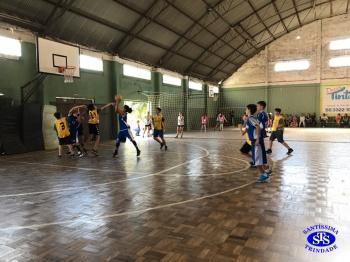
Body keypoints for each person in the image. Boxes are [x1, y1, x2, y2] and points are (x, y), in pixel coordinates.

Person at [244, 104, 270, 182]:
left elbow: (258, 127)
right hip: (253, 141)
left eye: (246, 109)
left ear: (249, 110)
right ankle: (265, 172)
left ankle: (264, 174)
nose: (245, 110)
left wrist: (258, 138)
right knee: (257, 159)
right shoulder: (250, 119)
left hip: (255, 141)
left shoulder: (251, 119)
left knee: (257, 160)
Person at [256, 101, 271, 173]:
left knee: (261, 149)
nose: (257, 107)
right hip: (260, 133)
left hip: (260, 133)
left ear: (261, 107)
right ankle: (265, 166)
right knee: (260, 149)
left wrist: (258, 135)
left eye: (258, 106)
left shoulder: (262, 114)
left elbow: (260, 126)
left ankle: (266, 167)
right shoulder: (260, 114)